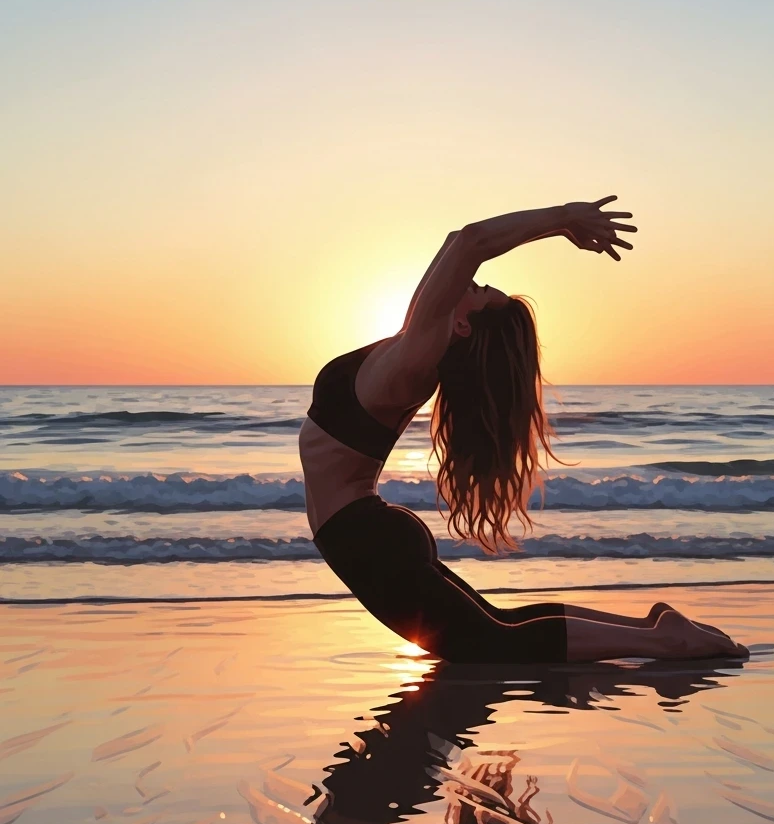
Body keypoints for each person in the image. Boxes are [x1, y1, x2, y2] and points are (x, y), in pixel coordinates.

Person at [299, 196, 749, 664]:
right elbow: (458, 242)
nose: (471, 282)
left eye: (481, 289)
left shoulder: (414, 359)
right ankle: (648, 628)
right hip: (365, 531)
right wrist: (558, 226)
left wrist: (565, 218)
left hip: (361, 537)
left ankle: (661, 642)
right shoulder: (410, 343)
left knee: (492, 644)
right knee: (498, 626)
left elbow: (472, 242)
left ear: (463, 326)